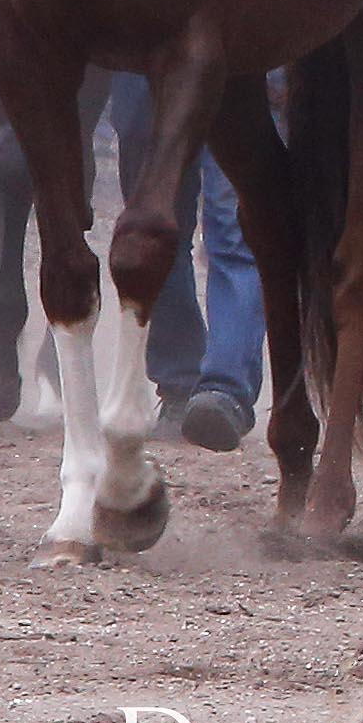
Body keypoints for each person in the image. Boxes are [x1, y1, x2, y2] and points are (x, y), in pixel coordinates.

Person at [103, 73, 263, 446]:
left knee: (235, 225)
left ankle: (225, 388)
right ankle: (181, 377)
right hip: (145, 52)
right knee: (155, 231)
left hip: (240, 46)